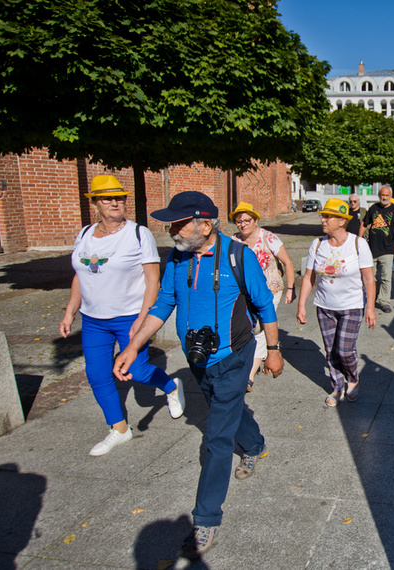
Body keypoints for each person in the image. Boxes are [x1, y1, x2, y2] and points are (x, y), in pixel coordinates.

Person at [113, 191, 284, 559]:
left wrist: (273, 351)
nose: (170, 229)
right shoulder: (177, 256)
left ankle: (205, 519)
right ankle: (254, 445)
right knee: (229, 412)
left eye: (178, 223)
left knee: (216, 438)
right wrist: (134, 346)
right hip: (198, 359)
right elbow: (163, 304)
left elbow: (265, 305)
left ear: (206, 225)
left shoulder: (239, 256)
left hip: (234, 358)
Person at [59, 174, 184, 457]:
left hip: (129, 316)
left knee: (138, 371)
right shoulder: (84, 235)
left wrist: (143, 318)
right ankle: (119, 429)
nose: (115, 203)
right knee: (97, 374)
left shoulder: (138, 234)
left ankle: (170, 386)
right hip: (93, 319)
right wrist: (70, 311)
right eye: (108, 198)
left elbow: (153, 280)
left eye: (119, 198)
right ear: (95, 204)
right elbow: (81, 275)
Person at [297, 198, 376, 407]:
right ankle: (337, 386)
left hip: (352, 305)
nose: (323, 220)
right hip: (325, 306)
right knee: (330, 350)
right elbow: (308, 277)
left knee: (344, 349)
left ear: (342, 221)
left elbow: (369, 278)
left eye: (327, 216)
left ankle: (352, 379)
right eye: (323, 216)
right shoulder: (317, 244)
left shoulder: (358, 244)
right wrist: (302, 304)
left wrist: (370, 308)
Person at [229, 202, 295, 391]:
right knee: (248, 326)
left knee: (260, 327)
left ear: (255, 220)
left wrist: (290, 288)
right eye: (239, 221)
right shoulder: (234, 241)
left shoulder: (268, 238)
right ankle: (259, 355)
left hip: (270, 290)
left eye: (247, 220)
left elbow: (288, 263)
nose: (243, 225)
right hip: (246, 293)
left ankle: (250, 375)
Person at [362, 186, 394, 313]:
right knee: (370, 277)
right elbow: (364, 224)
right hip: (372, 249)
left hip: (388, 249)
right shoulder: (373, 208)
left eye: (386, 195)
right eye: (382, 195)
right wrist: (359, 240)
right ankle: (375, 293)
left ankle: (384, 302)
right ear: (379, 195)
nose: (384, 198)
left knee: (386, 277)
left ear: (390, 196)